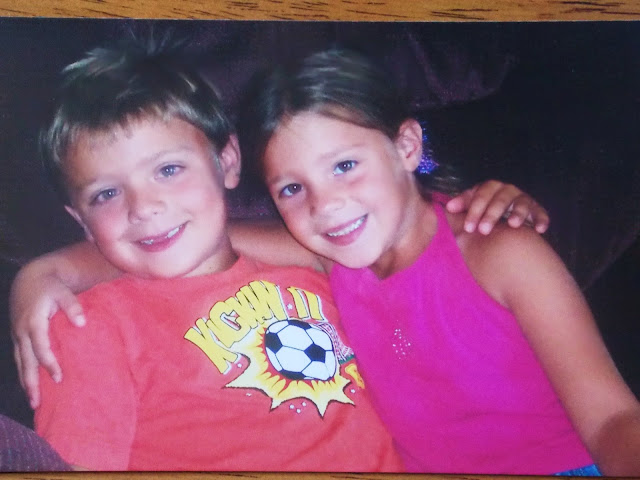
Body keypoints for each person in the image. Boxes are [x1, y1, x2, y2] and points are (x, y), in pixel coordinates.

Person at [10, 44, 549, 470]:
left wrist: (476, 209)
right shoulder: (84, 326)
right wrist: (43, 273)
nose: (143, 207)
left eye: (168, 170)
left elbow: (415, 250)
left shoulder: (319, 269)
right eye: (106, 194)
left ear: (227, 162)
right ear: (80, 220)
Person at [230, 48, 640, 476]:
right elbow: (214, 235)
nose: (324, 205)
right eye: (292, 189)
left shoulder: (502, 254)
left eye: (345, 165)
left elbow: (612, 419)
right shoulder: (330, 256)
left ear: (406, 147)